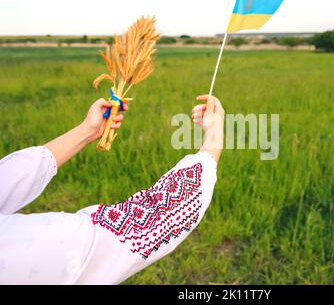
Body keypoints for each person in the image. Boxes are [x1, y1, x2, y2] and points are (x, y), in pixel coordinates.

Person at [0, 94, 224, 284]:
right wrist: (213, 140)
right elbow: (133, 232)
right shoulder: (19, 253)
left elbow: (10, 178)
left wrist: (88, 130)